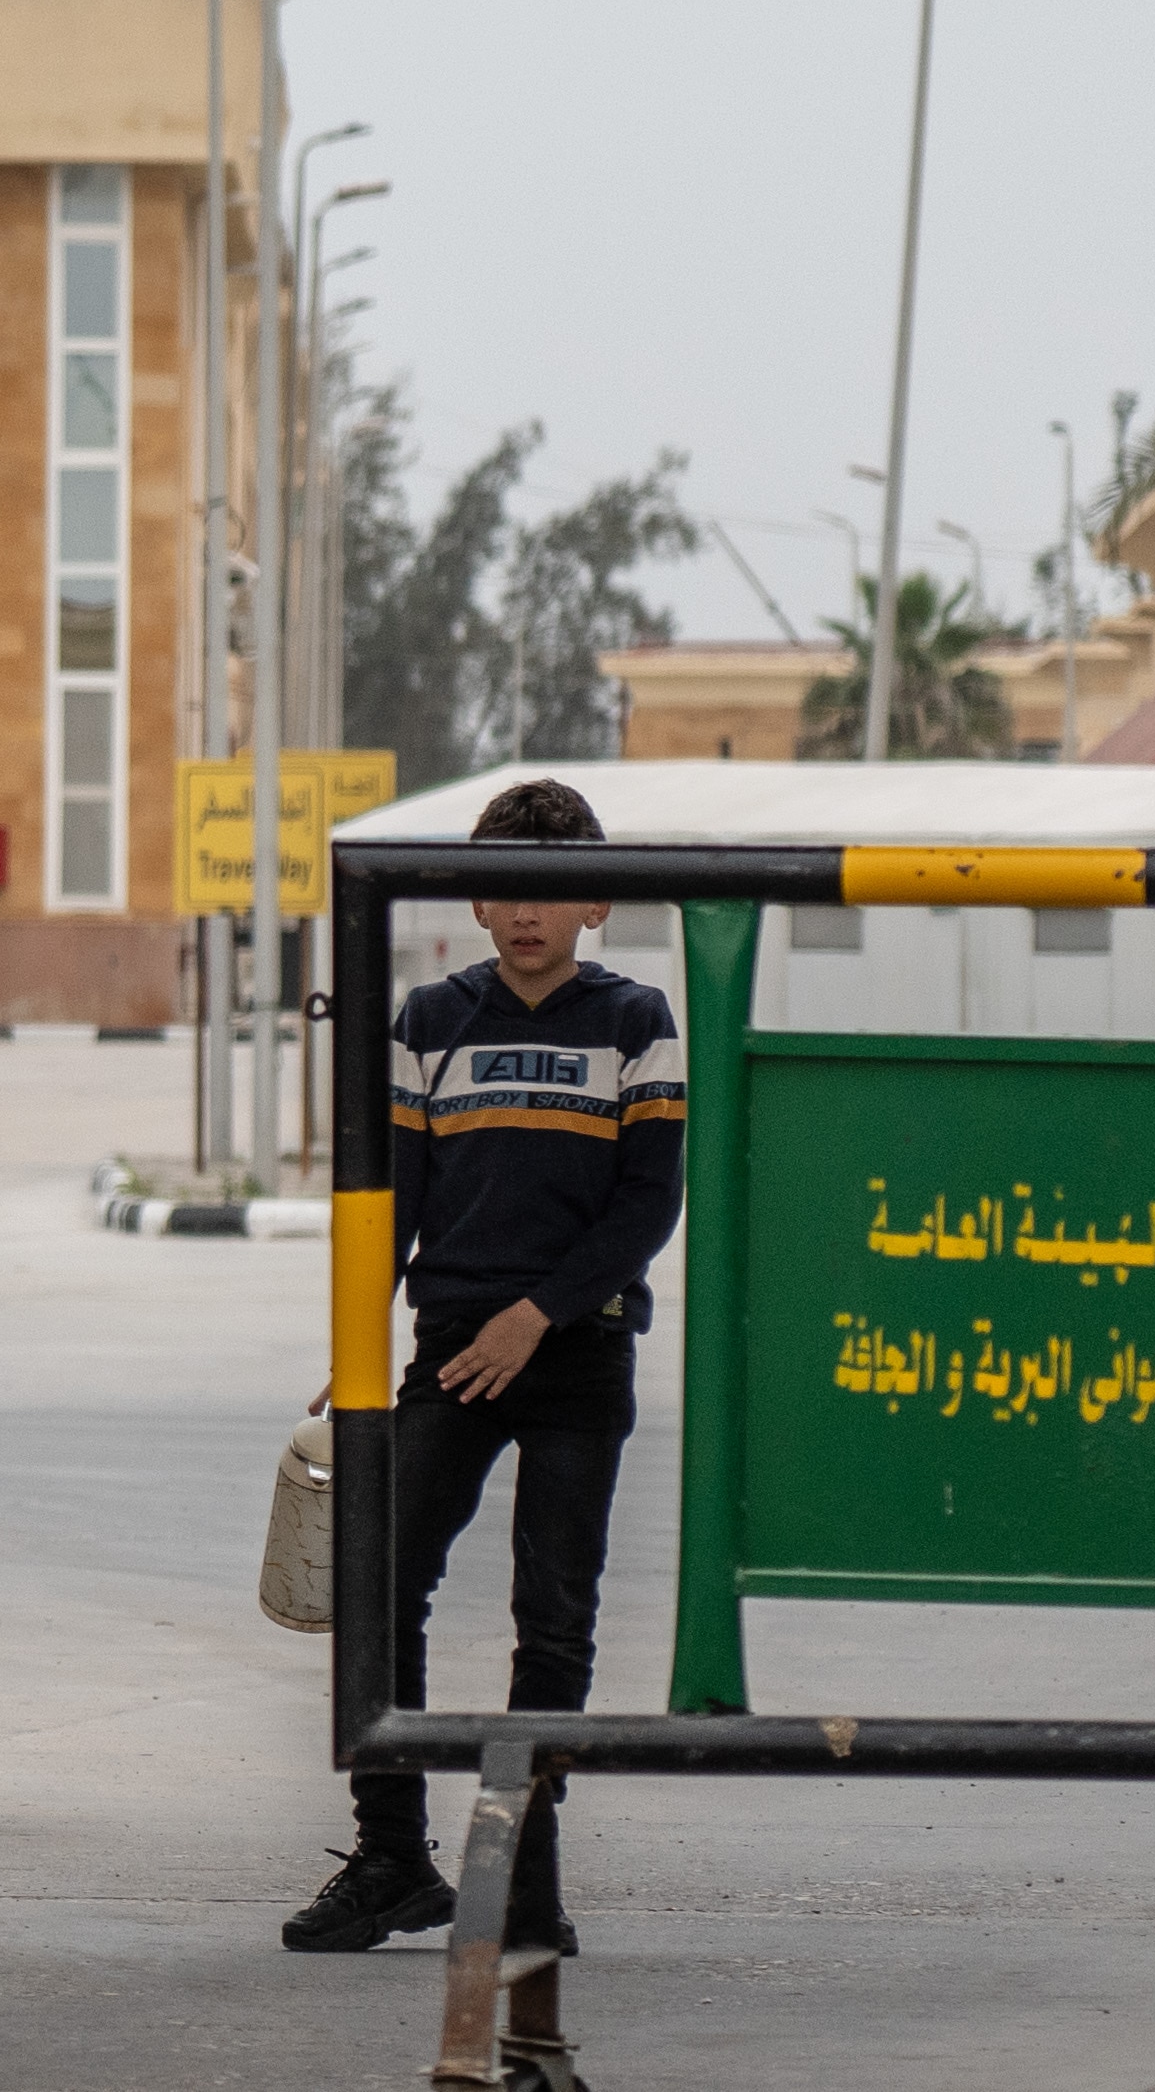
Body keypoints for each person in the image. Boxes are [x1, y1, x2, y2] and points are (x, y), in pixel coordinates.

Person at [281, 775, 681, 1958]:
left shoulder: (636, 1022)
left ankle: (522, 1872)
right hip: (450, 1355)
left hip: (579, 1352)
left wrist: (538, 1317)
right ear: (473, 899)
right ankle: (393, 1858)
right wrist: (356, 1337)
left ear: (595, 906)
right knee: (379, 1585)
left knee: (552, 1623)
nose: (527, 913)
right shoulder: (429, 1020)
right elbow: (393, 1195)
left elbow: (647, 1204)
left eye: (553, 893)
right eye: (506, 889)